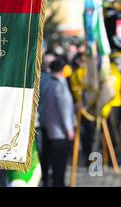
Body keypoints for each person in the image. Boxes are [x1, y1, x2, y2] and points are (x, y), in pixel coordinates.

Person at [39, 59, 75, 187]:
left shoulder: (44, 80)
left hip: (44, 127)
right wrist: (69, 130)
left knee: (46, 159)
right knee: (59, 164)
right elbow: (64, 110)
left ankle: (46, 182)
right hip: (59, 132)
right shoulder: (60, 85)